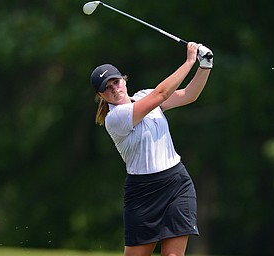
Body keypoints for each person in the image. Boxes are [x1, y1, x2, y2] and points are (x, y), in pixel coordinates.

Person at [90, 42, 213, 256]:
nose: (114, 89)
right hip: (143, 193)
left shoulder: (144, 95)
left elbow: (189, 95)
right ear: (101, 97)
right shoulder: (115, 118)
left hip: (177, 183)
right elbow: (161, 94)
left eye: (116, 82)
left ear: (124, 80)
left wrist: (205, 66)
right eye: (106, 89)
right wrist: (189, 61)